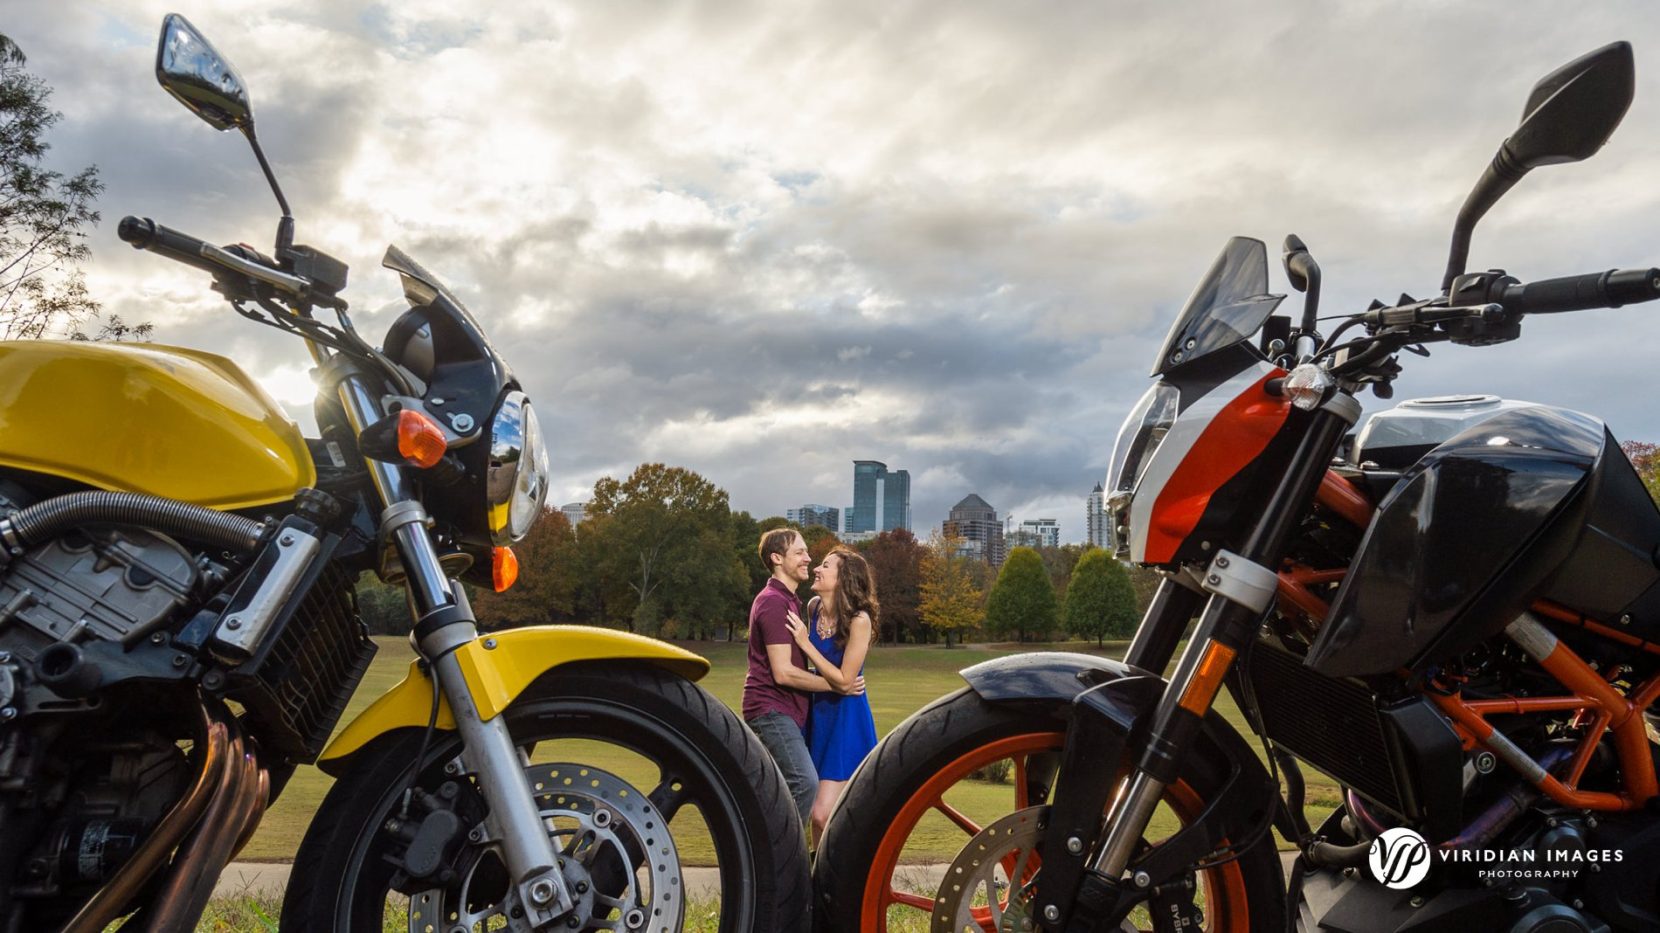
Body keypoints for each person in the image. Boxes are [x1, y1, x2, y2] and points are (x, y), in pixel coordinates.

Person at [741, 528, 863, 831]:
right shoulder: (774, 602)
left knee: (794, 790)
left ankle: (784, 853)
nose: (808, 558)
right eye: (799, 552)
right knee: (804, 783)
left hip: (797, 710)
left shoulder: (794, 602)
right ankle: (778, 854)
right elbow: (783, 672)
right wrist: (840, 686)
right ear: (777, 558)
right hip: (772, 708)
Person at [785, 546, 879, 843]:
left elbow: (845, 680)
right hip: (817, 713)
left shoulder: (859, 621)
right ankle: (820, 870)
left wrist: (805, 643)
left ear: (843, 579)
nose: (816, 569)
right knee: (818, 812)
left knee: (822, 813)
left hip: (846, 718)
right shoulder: (814, 608)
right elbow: (831, 677)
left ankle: (840, 868)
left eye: (825, 566)